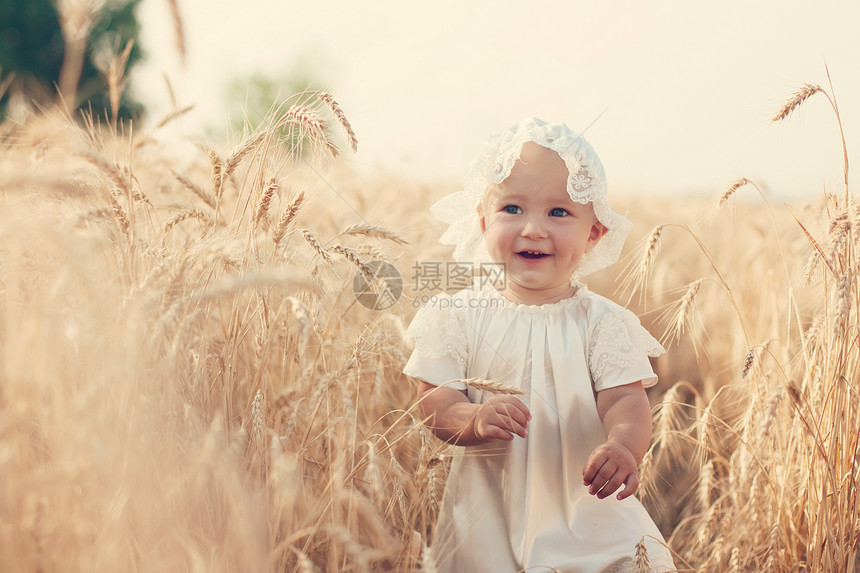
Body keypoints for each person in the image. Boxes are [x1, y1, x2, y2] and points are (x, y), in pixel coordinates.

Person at [403, 118, 676, 572]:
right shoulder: (458, 314)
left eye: (558, 212)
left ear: (594, 234)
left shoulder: (602, 322)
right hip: (488, 511)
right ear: (482, 219)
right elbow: (435, 399)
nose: (532, 229)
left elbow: (624, 399)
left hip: (587, 507)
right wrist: (472, 417)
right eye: (512, 208)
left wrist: (624, 447)